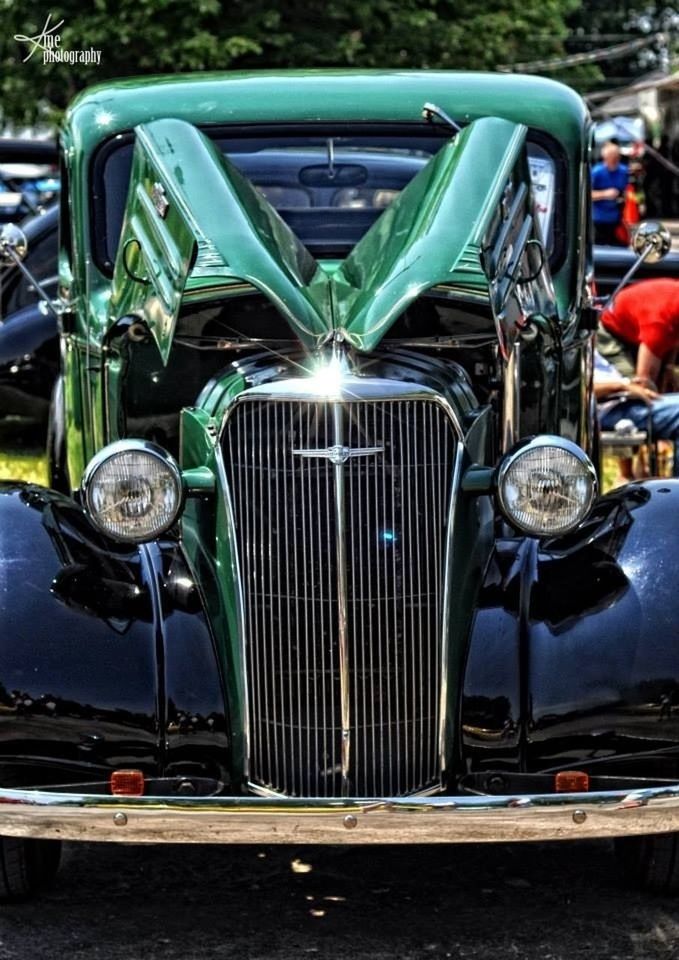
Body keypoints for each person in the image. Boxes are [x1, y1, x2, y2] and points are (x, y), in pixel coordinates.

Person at [594, 350, 679, 479]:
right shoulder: (569, 344)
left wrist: (630, 383)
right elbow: (576, 390)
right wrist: (621, 386)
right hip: (611, 408)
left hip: (626, 400)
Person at [599, 278, 679, 388]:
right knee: (634, 388)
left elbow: (674, 337)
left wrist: (668, 367)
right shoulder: (659, 324)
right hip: (608, 331)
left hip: (636, 328)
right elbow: (644, 381)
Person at [592, 141, 629, 246]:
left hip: (618, 219)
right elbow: (586, 195)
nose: (614, 160)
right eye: (611, 157)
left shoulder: (623, 171)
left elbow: (627, 190)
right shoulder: (597, 172)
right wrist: (604, 194)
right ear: (605, 158)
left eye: (616, 157)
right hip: (599, 220)